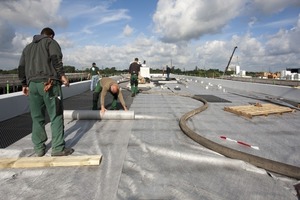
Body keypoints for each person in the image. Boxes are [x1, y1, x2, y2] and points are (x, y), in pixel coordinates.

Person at [18, 27, 74, 157]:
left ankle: (39, 148)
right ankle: (58, 148)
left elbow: (21, 67)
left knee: (37, 117)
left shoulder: (27, 48)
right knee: (56, 115)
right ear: (51, 36)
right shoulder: (50, 42)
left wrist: (24, 84)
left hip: (32, 85)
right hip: (49, 84)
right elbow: (56, 58)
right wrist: (62, 76)